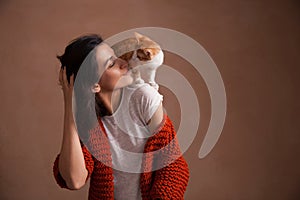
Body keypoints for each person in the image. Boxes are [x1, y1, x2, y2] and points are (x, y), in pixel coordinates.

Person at [53, 34, 190, 200]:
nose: (124, 63)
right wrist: (70, 106)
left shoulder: (144, 98)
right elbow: (74, 180)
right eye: (111, 64)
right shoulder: (90, 124)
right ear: (95, 85)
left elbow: (174, 165)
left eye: (116, 57)